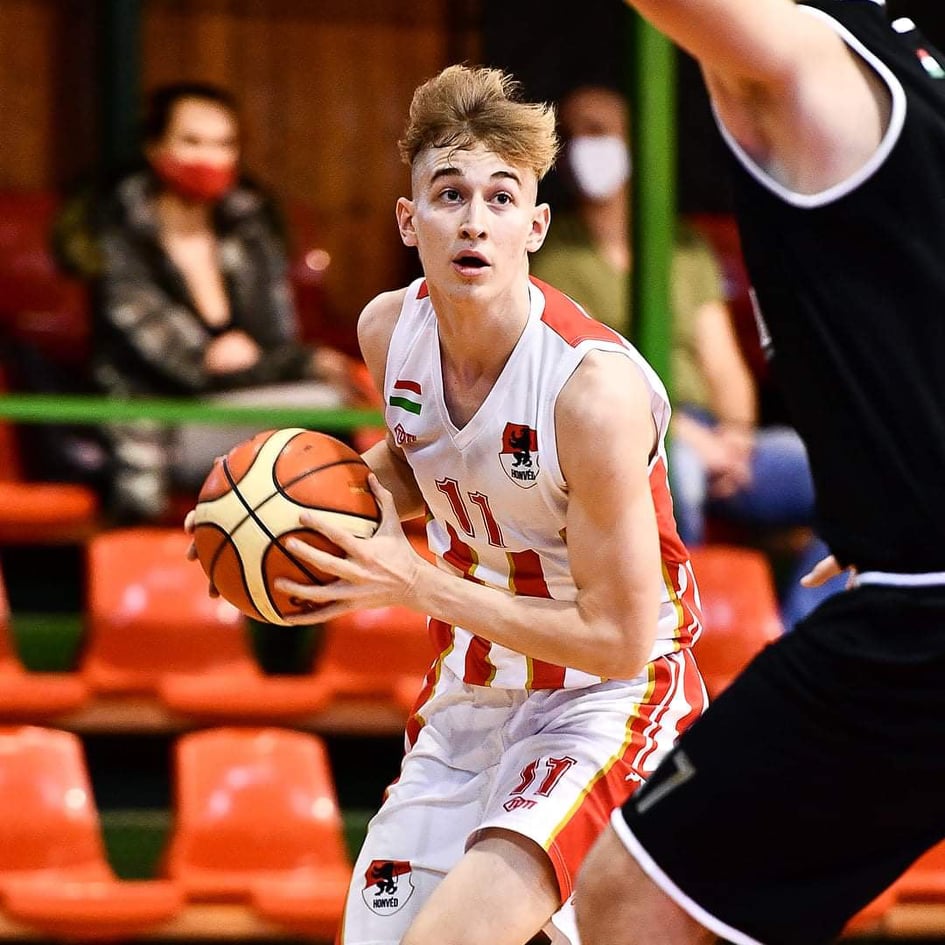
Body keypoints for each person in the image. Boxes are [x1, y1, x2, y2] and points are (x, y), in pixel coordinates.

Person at [244, 64, 706, 945]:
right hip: (469, 695)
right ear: (408, 219)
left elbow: (615, 636)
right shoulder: (388, 330)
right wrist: (284, 515)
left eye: (500, 198)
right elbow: (424, 460)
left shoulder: (589, 393)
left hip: (605, 700)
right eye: (449, 193)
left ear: (534, 226)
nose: (473, 220)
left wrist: (413, 581)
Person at [574, 3, 945, 945]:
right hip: (907, 569)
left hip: (922, 620)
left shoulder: (808, 60)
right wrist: (880, 503)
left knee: (633, 899)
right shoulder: (912, 68)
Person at [531, 82, 843, 630]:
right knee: (680, 473)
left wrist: (736, 437)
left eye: (599, 133)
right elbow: (587, 376)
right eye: (574, 135)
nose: (585, 148)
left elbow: (722, 360)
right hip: (632, 438)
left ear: (634, 143)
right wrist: (689, 440)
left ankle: (800, 636)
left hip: (717, 438)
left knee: (849, 475)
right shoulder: (554, 257)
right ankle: (675, 636)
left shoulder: (684, 247)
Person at [68, 81, 368, 523]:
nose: (209, 158)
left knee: (342, 399)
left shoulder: (251, 228)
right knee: (323, 403)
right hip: (152, 427)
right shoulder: (117, 236)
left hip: (238, 408)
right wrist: (303, 363)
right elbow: (187, 367)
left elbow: (276, 340)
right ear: (154, 147)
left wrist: (291, 361)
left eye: (224, 144)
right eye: (192, 142)